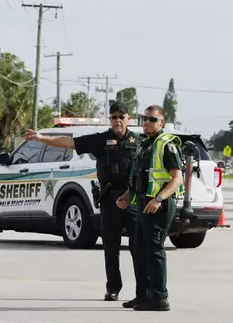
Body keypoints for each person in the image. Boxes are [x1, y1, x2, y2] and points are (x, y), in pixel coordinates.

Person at [23, 102, 144, 302]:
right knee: (111, 248)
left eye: (121, 117)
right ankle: (113, 288)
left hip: (132, 200)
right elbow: (70, 143)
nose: (117, 121)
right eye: (114, 117)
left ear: (128, 119)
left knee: (138, 248)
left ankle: (142, 291)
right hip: (110, 200)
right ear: (110, 119)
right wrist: (42, 137)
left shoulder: (138, 142)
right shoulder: (101, 139)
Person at [116, 105, 184, 312]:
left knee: (154, 250)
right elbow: (140, 177)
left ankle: (159, 297)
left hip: (159, 206)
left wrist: (159, 199)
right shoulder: (144, 145)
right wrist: (127, 196)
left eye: (152, 119)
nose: (147, 122)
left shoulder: (166, 144)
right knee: (139, 250)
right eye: (144, 118)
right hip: (143, 204)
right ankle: (142, 295)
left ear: (161, 123)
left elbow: (177, 178)